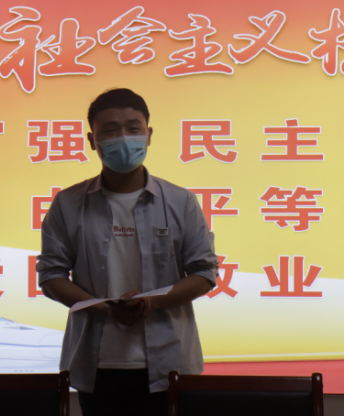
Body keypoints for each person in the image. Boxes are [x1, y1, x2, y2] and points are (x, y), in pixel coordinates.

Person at [37, 88, 218, 416]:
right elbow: (51, 276)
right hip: (96, 365)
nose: (123, 138)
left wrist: (152, 303)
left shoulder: (181, 202)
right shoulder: (68, 203)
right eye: (110, 130)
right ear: (92, 140)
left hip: (170, 363)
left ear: (148, 135)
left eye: (133, 128)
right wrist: (106, 309)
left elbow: (204, 273)